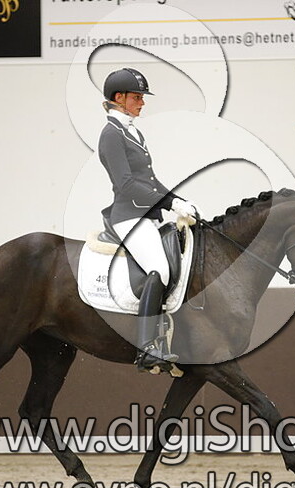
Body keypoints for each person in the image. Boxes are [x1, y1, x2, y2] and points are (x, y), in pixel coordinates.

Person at [98, 67, 197, 373]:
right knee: (159, 269)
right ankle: (146, 348)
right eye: (137, 97)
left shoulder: (133, 132)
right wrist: (170, 203)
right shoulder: (111, 135)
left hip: (146, 216)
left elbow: (150, 181)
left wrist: (177, 200)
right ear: (119, 98)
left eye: (142, 97)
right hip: (128, 217)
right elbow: (126, 184)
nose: (142, 103)